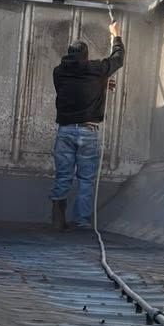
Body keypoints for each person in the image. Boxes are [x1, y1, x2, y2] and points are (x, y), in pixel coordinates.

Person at [50, 20, 124, 229]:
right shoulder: (96, 69)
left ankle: (57, 219)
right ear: (86, 55)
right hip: (88, 131)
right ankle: (81, 222)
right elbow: (118, 58)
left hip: (64, 131)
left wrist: (100, 83)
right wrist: (115, 35)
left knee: (63, 176)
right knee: (86, 179)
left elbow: (72, 87)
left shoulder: (59, 71)